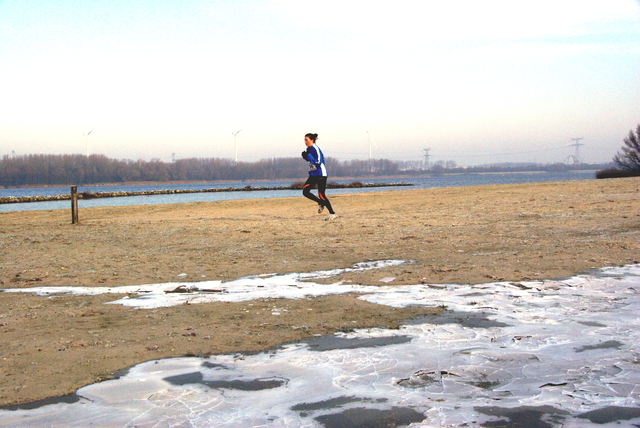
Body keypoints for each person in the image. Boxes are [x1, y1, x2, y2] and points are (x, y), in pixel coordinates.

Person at [301, 133, 336, 220]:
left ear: (312, 140)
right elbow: (310, 161)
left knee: (321, 195)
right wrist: (305, 157)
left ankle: (332, 213)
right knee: (305, 191)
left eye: (306, 140)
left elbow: (318, 162)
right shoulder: (308, 149)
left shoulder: (315, 149)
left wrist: (308, 156)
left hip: (321, 174)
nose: (305, 142)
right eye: (304, 140)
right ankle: (320, 203)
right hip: (313, 174)